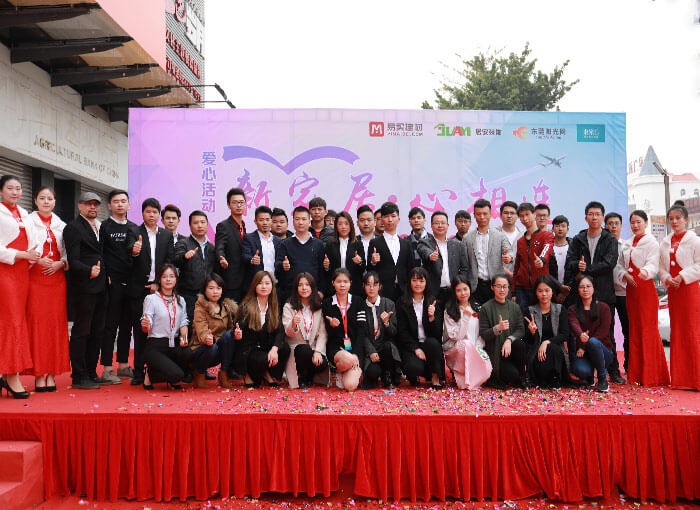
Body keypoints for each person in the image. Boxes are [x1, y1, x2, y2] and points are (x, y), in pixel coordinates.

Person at [564, 201, 625, 385]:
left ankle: (613, 371)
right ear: (586, 217)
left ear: (602, 218)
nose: (594, 217)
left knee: (608, 334)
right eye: (591, 214)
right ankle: (584, 368)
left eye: (597, 214)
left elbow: (609, 262)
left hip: (604, 293)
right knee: (578, 332)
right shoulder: (578, 239)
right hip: (581, 294)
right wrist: (578, 265)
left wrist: (587, 269)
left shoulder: (609, 239)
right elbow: (570, 262)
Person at [616, 210, 669, 386]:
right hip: (631, 291)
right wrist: (624, 274)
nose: (635, 225)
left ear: (646, 223)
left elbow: (653, 264)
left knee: (648, 330)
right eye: (632, 222)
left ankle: (652, 375)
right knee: (635, 330)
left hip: (645, 288)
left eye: (639, 222)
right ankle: (636, 375)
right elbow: (620, 265)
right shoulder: (627, 243)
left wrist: (643, 273)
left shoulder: (651, 242)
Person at [26, 187, 70, 392]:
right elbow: (20, 247)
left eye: (50, 198)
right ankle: (38, 373)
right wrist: (35, 259)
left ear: (55, 202)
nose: (46, 201)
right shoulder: (27, 222)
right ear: (35, 200)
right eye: (42, 198)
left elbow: (69, 252)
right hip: (35, 278)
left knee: (55, 325)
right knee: (37, 324)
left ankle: (51, 373)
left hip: (56, 279)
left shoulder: (62, 225)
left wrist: (61, 263)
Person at [126, 198, 174, 386]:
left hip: (159, 290)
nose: (151, 215)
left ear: (159, 215)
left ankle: (156, 370)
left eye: (155, 212)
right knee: (140, 331)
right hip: (138, 289)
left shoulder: (166, 235)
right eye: (148, 212)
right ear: (143, 213)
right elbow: (128, 255)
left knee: (159, 332)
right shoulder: (134, 231)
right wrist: (135, 251)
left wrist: (158, 283)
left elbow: (169, 261)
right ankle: (138, 371)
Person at [64, 191, 108, 390]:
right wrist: (88, 270)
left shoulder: (99, 226)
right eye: (88, 204)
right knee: (82, 331)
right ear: (79, 206)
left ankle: (91, 372)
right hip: (83, 287)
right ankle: (78, 376)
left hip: (102, 286)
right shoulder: (73, 228)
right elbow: (73, 261)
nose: (92, 207)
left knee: (97, 331)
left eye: (95, 204)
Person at [0, 175, 38, 398]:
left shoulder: (25, 213)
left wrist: (35, 254)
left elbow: (34, 241)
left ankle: (7, 373)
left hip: (23, 272)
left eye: (18, 188)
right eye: (10, 188)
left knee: (17, 321)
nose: (15, 192)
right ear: (1, 191)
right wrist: (22, 255)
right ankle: (10, 374)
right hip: (4, 272)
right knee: (10, 321)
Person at [658, 201, 700, 391]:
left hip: (689, 289)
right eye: (671, 219)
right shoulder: (665, 242)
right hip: (673, 290)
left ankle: (695, 378)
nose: (674, 222)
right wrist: (667, 278)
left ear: (686, 220)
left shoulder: (694, 240)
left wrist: (682, 276)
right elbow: (661, 267)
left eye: (678, 218)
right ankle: (680, 379)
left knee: (691, 330)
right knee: (677, 331)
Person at [98, 189, 137, 385]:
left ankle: (123, 365)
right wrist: (105, 276)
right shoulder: (104, 227)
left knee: (127, 327)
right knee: (110, 326)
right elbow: (100, 254)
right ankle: (106, 368)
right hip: (112, 283)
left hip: (131, 284)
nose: (120, 204)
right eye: (116, 201)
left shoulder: (134, 228)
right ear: (109, 206)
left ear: (129, 205)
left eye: (123, 201)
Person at [233, 271, 290, 387]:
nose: (264, 286)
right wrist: (238, 334)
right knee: (263, 359)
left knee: (284, 349)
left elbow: (280, 331)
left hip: (265, 346)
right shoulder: (247, 306)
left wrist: (274, 349)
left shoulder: (274, 305)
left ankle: (266, 373)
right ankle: (249, 374)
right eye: (260, 283)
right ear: (254, 286)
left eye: (267, 283)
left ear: (272, 286)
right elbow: (238, 329)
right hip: (250, 349)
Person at [140, 264, 189, 390]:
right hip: (156, 346)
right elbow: (146, 323)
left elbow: (183, 322)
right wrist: (145, 325)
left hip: (174, 344)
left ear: (176, 279)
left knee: (188, 354)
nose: (168, 279)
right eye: (164, 276)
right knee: (178, 375)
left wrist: (184, 339)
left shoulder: (181, 300)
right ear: (159, 280)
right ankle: (149, 373)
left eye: (171, 276)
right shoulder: (151, 299)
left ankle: (170, 374)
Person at [396, 267, 445, 388]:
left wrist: (432, 317)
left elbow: (438, 333)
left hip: (430, 345)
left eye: (421, 281)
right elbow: (402, 331)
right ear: (409, 282)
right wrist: (416, 349)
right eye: (414, 280)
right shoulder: (402, 302)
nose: (418, 284)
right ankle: (416, 375)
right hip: (411, 345)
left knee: (433, 343)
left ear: (426, 283)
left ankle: (435, 377)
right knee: (413, 367)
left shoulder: (433, 301)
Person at [478, 275, 530, 389]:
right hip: (496, 353)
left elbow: (521, 330)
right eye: (498, 286)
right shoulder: (486, 308)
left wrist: (509, 340)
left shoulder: (515, 307)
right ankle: (503, 376)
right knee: (512, 375)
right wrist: (497, 328)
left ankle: (522, 376)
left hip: (511, 350)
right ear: (492, 287)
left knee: (520, 344)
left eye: (505, 286)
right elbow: (483, 334)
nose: (502, 290)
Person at [443, 275, 492, 390]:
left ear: (470, 289)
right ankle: (464, 375)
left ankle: (470, 377)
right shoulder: (449, 310)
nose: (463, 293)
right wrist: (465, 316)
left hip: (475, 349)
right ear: (454, 292)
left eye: (465, 289)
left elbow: (482, 332)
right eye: (458, 290)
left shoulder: (477, 308)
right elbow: (456, 337)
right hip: (456, 350)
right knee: (466, 344)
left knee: (488, 369)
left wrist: (477, 349)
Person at [190, 273, 238, 389]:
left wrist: (236, 334)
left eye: (218, 288)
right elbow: (201, 330)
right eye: (211, 288)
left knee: (229, 337)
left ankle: (223, 373)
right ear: (205, 290)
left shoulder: (225, 306)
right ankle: (199, 373)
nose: (215, 292)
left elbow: (229, 329)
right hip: (201, 348)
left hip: (219, 348)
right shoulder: (200, 307)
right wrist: (206, 338)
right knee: (212, 347)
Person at [282, 272, 329, 389]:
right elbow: (288, 333)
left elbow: (323, 333)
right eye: (300, 285)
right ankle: (301, 377)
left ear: (312, 287)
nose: (304, 288)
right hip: (296, 349)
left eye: (307, 285)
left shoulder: (319, 306)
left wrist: (318, 351)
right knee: (304, 350)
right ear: (296, 288)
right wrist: (293, 323)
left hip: (313, 347)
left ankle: (309, 377)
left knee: (322, 362)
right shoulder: (289, 306)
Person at [568, 276, 614, 393]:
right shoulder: (572, 309)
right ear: (577, 290)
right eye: (582, 287)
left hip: (603, 352)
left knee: (593, 342)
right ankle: (590, 377)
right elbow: (574, 324)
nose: (585, 289)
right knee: (580, 371)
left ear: (593, 288)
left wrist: (584, 346)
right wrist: (580, 334)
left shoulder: (604, 308)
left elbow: (603, 332)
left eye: (588, 286)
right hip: (584, 354)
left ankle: (602, 380)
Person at [322, 268, 365, 391]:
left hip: (355, 348)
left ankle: (343, 371)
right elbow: (328, 334)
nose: (342, 285)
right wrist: (332, 326)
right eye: (339, 281)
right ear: (333, 283)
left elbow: (362, 331)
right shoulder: (327, 303)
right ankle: (338, 369)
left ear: (350, 283)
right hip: (336, 349)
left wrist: (356, 353)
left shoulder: (358, 301)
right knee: (347, 359)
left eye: (345, 282)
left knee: (350, 386)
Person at [463, 199, 512, 305]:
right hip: (476, 286)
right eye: (478, 214)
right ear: (474, 215)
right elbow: (464, 263)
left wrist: (508, 257)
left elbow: (509, 251)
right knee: (477, 314)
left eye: (485, 214)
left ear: (490, 214)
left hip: (496, 284)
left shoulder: (499, 236)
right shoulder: (467, 238)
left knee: (497, 313)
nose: (482, 217)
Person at [358, 271, 401, 389]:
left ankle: (388, 374)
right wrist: (371, 350)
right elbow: (361, 333)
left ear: (380, 286)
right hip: (370, 350)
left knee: (388, 347)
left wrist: (387, 323)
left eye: (375, 284)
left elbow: (394, 332)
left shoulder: (389, 304)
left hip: (385, 348)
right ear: (363, 286)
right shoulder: (360, 306)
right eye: (368, 285)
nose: (371, 288)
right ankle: (378, 373)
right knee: (373, 372)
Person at [512, 202, 557, 316]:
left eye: (527, 214)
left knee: (540, 318)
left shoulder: (547, 235)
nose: (525, 218)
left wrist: (541, 260)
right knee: (523, 319)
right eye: (521, 216)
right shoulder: (520, 241)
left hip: (540, 287)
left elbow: (547, 249)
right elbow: (517, 267)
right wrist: (513, 291)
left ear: (534, 215)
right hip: (522, 288)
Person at [524, 276, 569, 388]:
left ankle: (555, 378)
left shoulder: (560, 309)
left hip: (556, 352)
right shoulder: (530, 311)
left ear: (552, 292)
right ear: (536, 293)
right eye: (540, 291)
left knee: (552, 348)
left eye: (547, 290)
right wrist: (533, 333)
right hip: (537, 353)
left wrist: (547, 342)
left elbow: (564, 334)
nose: (544, 294)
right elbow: (527, 340)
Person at [275, 206, 326, 303]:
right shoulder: (285, 244)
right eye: (297, 219)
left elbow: (322, 271)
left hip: (313, 294)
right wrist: (283, 266)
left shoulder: (318, 244)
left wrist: (321, 291)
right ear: (293, 222)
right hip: (290, 294)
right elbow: (277, 266)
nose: (300, 222)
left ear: (309, 222)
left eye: (304, 219)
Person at [417, 211, 470, 305]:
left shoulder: (458, 245)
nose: (440, 225)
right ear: (431, 226)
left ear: (448, 225)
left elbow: (464, 268)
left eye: (443, 223)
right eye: (437, 223)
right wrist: (430, 255)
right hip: (433, 293)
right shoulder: (424, 243)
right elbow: (423, 251)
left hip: (453, 292)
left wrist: (458, 284)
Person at [368, 202, 413, 302]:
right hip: (383, 292)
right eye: (386, 216)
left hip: (403, 292)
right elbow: (369, 269)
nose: (390, 220)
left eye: (393, 216)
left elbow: (410, 268)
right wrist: (373, 262)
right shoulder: (375, 243)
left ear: (398, 219)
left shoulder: (406, 243)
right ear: (381, 220)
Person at [175, 210, 216, 323]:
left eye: (203, 222)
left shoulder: (212, 248)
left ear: (207, 224)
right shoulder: (183, 243)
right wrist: (184, 257)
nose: (200, 225)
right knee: (189, 326)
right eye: (196, 223)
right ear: (190, 225)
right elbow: (176, 260)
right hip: (188, 295)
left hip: (208, 296)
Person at [605, 212, 630, 373]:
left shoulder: (627, 246)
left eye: (616, 223)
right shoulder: (602, 246)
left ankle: (629, 365)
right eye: (610, 223)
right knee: (607, 332)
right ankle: (612, 367)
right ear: (605, 226)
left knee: (628, 330)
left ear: (621, 226)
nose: (613, 226)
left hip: (624, 294)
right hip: (606, 294)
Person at [323, 211, 365, 296]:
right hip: (334, 288)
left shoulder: (358, 243)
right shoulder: (330, 244)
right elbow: (327, 271)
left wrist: (359, 262)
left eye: (346, 224)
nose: (343, 227)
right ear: (336, 226)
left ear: (351, 226)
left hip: (353, 287)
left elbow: (363, 268)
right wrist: (326, 267)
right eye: (340, 224)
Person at [215, 188, 247, 302]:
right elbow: (220, 246)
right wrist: (221, 258)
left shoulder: (243, 226)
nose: (238, 205)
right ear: (228, 205)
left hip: (245, 280)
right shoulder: (223, 226)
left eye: (241, 202)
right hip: (231, 281)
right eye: (234, 202)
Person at [242, 205, 281, 290]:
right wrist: (252, 260)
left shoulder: (278, 240)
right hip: (256, 285)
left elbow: (280, 261)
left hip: (274, 285)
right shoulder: (249, 238)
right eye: (261, 220)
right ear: (255, 221)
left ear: (271, 220)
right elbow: (245, 255)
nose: (265, 223)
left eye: (267, 219)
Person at [496, 201, 522, 279]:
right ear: (500, 215)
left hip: (520, 280)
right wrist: (508, 274)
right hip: (498, 280)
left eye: (512, 213)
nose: (509, 216)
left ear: (517, 216)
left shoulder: (523, 235)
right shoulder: (494, 234)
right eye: (506, 213)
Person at [551, 215, 572, 303]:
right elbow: (545, 271)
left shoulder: (573, 246)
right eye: (557, 226)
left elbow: (576, 271)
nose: (560, 229)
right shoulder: (548, 246)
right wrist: (559, 287)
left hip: (570, 291)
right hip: (551, 290)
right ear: (552, 228)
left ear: (568, 229)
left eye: (563, 226)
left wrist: (565, 292)